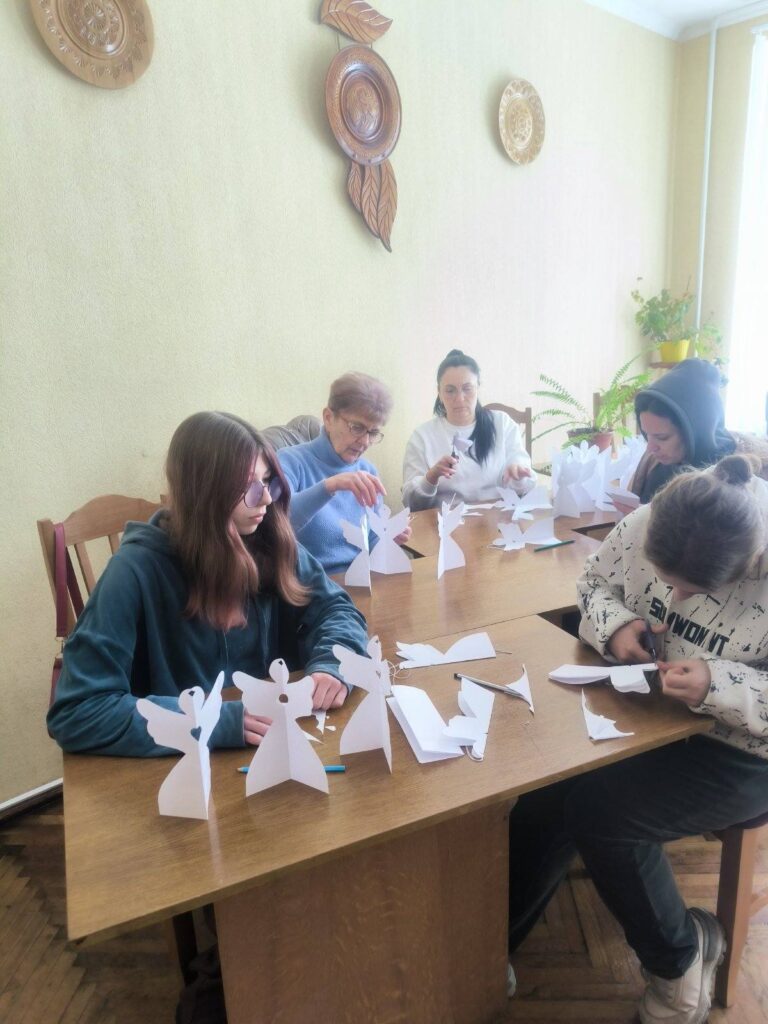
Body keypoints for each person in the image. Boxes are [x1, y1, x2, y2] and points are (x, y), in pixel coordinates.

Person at [507, 454, 768, 1023]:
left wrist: (718, 683)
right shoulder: (651, 520)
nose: (674, 599)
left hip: (743, 751)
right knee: (545, 790)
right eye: (666, 582)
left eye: (691, 589)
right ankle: (491, 951)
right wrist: (616, 626)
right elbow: (593, 583)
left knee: (604, 815)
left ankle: (679, 966)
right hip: (647, 710)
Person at [47, 411, 369, 757]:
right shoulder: (134, 570)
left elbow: (336, 609)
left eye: (267, 481)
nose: (265, 499)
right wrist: (210, 721)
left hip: (274, 743)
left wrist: (332, 664)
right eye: (247, 486)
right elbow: (77, 710)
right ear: (203, 493)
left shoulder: (269, 539)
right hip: (183, 765)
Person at [277, 372, 411, 576]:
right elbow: (276, 521)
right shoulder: (289, 461)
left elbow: (370, 540)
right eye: (357, 428)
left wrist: (387, 539)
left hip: (359, 580)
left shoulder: (368, 471)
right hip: (311, 586)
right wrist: (330, 486)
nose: (365, 442)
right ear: (328, 418)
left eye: (373, 432)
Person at [402, 349, 535, 511]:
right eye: (450, 391)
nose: (459, 399)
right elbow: (410, 503)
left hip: (498, 518)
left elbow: (526, 487)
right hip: (445, 521)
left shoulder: (502, 424)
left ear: (478, 388)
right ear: (439, 393)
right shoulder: (422, 437)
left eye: (467, 388)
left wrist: (518, 477)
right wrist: (431, 477)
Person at [626, 358, 768, 506]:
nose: (650, 448)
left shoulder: (743, 477)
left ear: (696, 431)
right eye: (646, 435)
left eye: (662, 437)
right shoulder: (653, 463)